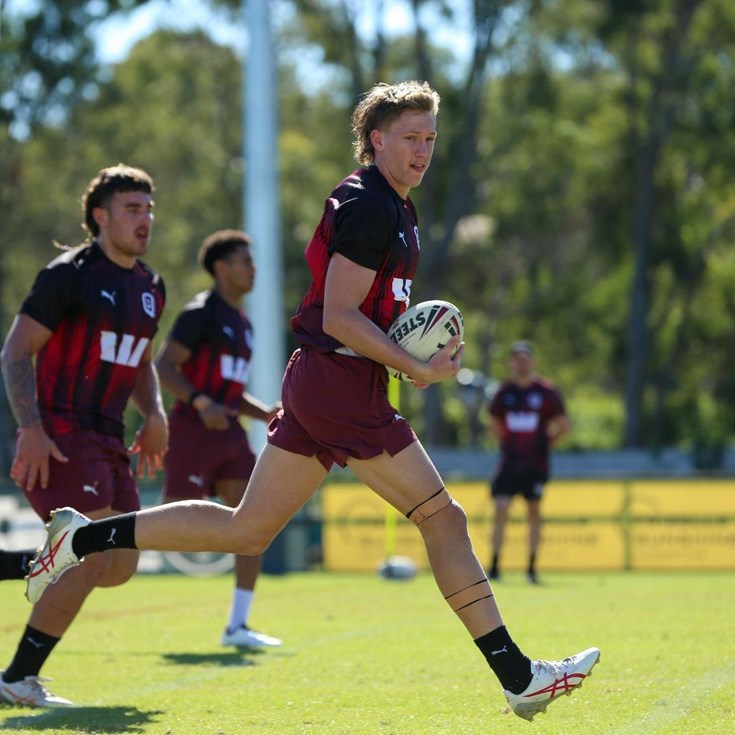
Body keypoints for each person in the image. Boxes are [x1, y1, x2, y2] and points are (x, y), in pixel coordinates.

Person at [25, 81, 599, 722]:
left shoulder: (396, 206)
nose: (423, 150)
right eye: (410, 137)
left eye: (431, 139)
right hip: (339, 385)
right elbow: (342, 314)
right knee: (444, 518)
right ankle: (519, 676)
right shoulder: (371, 205)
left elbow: (360, 316)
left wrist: (400, 363)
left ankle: (80, 538)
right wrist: (414, 368)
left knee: (246, 530)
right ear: (376, 139)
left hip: (331, 381)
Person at [0, 164, 166, 708]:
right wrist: (29, 428)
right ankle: (17, 678)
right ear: (100, 216)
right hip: (61, 434)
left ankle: (25, 560)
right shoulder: (68, 274)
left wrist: (156, 414)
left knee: (117, 566)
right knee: (88, 557)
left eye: (148, 208)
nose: (145, 220)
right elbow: (16, 350)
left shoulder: (150, 287)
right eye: (132, 209)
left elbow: (139, 358)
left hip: (111, 437)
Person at [155, 229, 281, 649]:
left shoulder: (242, 323)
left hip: (229, 435)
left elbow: (229, 387)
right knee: (171, 523)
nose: (253, 269)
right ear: (222, 269)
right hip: (193, 433)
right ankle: (101, 542)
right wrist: (199, 402)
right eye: (245, 261)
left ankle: (238, 626)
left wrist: (261, 411)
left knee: (253, 520)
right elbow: (165, 366)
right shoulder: (199, 313)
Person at [487, 340, 571, 584]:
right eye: (517, 358)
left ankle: (531, 568)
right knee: (500, 509)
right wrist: (508, 446)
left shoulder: (546, 392)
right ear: (511, 362)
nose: (521, 363)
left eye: (526, 358)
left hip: (535, 466)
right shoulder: (504, 393)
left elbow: (564, 425)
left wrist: (544, 444)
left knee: (534, 512)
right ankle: (494, 566)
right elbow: (494, 425)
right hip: (509, 465)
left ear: (533, 361)